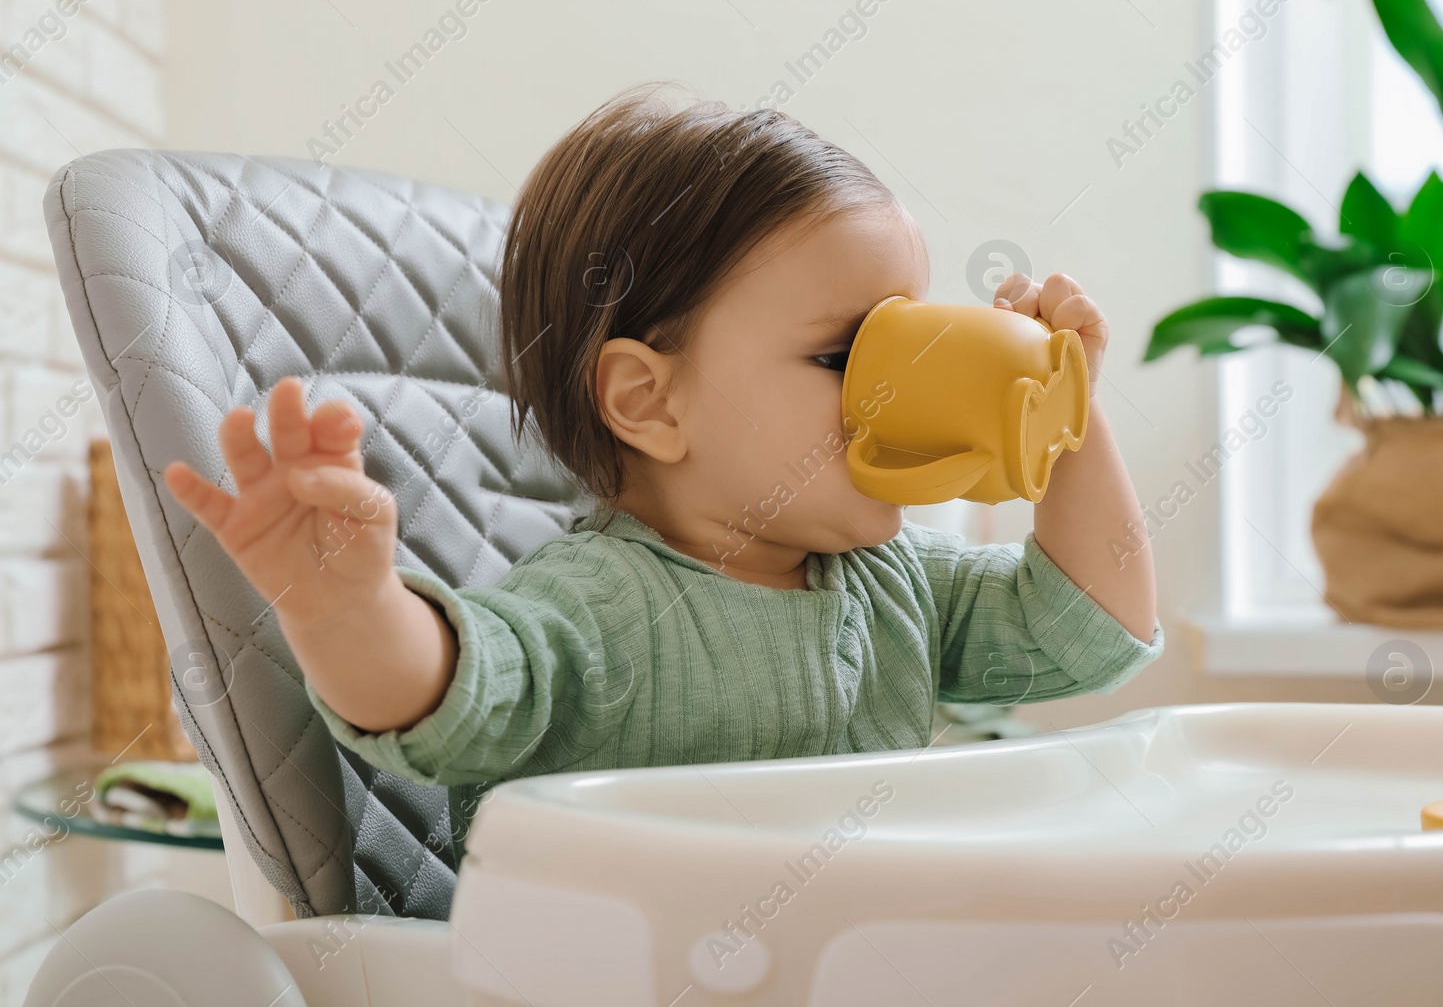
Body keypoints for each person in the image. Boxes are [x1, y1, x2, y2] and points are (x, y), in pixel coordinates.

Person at [160, 83, 1162, 806]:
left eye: (907, 336)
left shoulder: (894, 582)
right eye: (847, 353)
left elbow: (1087, 629)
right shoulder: (595, 605)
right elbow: (450, 697)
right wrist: (350, 605)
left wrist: (1064, 413)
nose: (889, 386)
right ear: (649, 400)